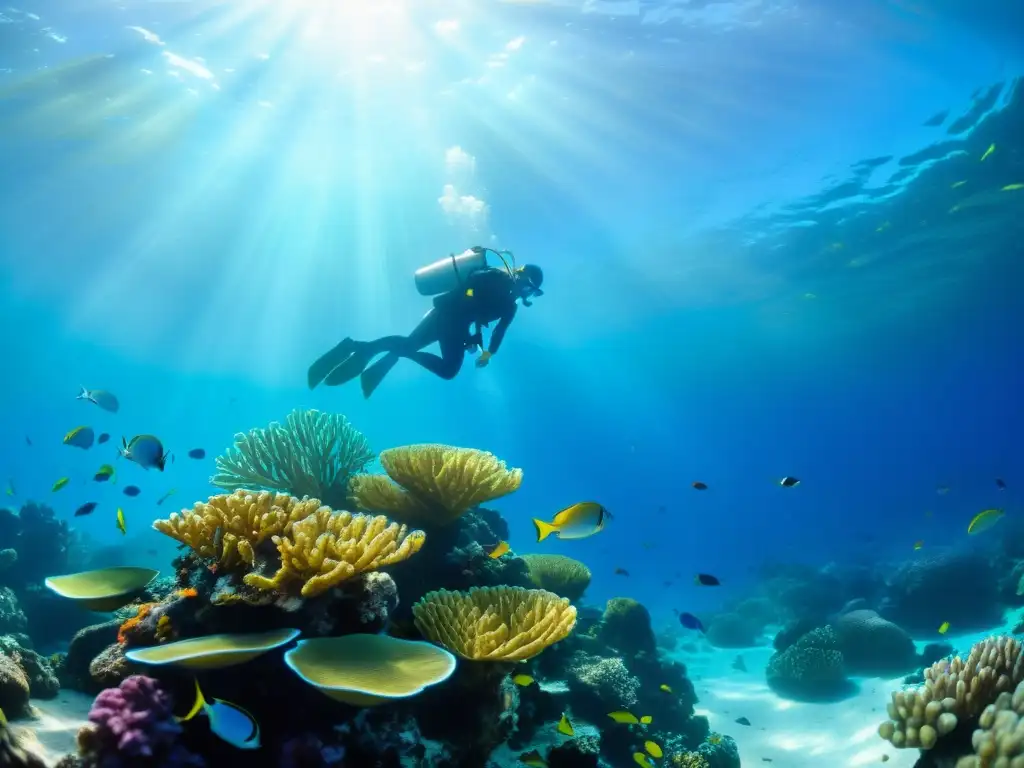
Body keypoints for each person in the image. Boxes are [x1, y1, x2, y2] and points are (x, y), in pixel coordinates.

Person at [307, 255, 544, 398]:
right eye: (529, 286)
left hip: (450, 318)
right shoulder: (497, 277)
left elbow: (499, 330)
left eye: (533, 292)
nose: (527, 293)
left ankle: (357, 347)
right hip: (449, 316)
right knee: (447, 370)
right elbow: (472, 283)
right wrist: (469, 299)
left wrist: (488, 352)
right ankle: (369, 352)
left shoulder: (510, 307)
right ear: (520, 274)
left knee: (409, 347)